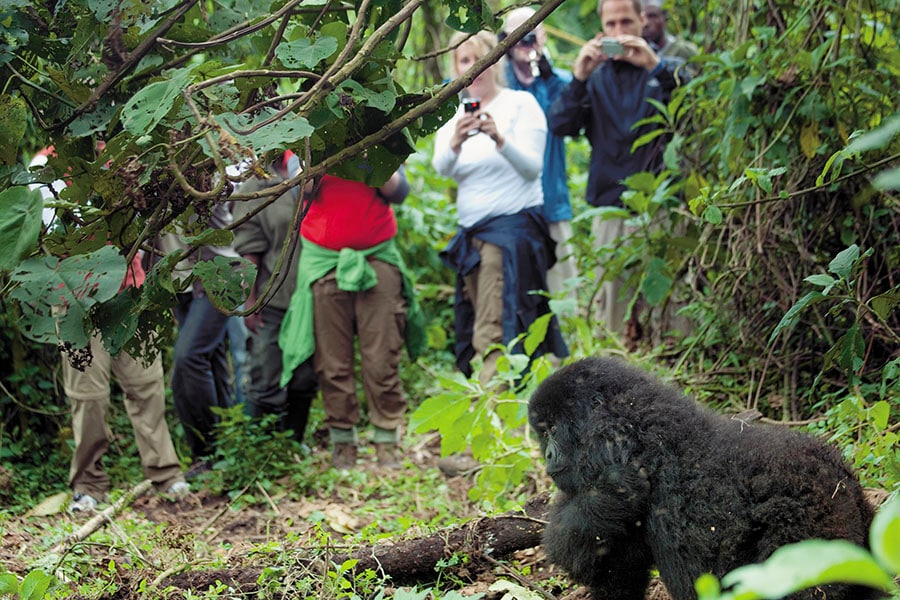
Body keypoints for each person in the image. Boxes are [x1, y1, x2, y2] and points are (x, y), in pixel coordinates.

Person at [432, 30, 568, 387]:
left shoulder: (520, 105)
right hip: (471, 234)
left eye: (482, 60)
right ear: (455, 67)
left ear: (496, 63)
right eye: (465, 61)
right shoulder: (452, 114)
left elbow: (532, 168)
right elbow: (441, 167)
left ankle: (492, 409)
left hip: (511, 231)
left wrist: (499, 139)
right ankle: (509, 401)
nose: (474, 70)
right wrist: (458, 140)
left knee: (494, 324)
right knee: (482, 315)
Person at [547, 0, 690, 336]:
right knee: (612, 313)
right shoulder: (595, 77)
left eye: (626, 22)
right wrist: (580, 76)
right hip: (611, 205)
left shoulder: (666, 67)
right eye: (610, 25)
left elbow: (694, 111)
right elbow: (560, 125)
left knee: (669, 311)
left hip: (660, 200)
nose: (619, 33)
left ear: (642, 21)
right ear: (601, 29)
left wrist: (655, 67)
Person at [279, 167, 425, 470]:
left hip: (377, 256)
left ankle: (387, 442)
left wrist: (371, 156)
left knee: (382, 355)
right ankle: (343, 443)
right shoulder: (305, 135)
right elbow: (298, 191)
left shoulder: (376, 131)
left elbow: (399, 191)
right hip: (323, 259)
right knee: (332, 362)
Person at [63, 253, 189, 512]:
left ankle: (165, 475)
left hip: (131, 294)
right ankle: (88, 484)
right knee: (89, 397)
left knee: (147, 387)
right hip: (76, 299)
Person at [232, 151, 318, 444]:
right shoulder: (257, 186)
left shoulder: (321, 168)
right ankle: (262, 452)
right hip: (274, 297)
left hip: (313, 297)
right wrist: (251, 299)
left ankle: (293, 445)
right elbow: (249, 249)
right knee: (266, 375)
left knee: (305, 377)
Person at [502, 8, 578, 302]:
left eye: (531, 34)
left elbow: (567, 115)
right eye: (518, 37)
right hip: (511, 208)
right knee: (517, 296)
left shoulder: (559, 82)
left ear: (543, 36)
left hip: (552, 202)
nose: (525, 42)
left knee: (563, 294)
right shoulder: (498, 85)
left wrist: (544, 72)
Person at [159, 203, 240, 474]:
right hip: (180, 283)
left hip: (217, 276)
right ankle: (226, 451)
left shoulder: (200, 173)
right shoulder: (149, 179)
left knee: (189, 358)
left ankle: (208, 452)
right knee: (211, 361)